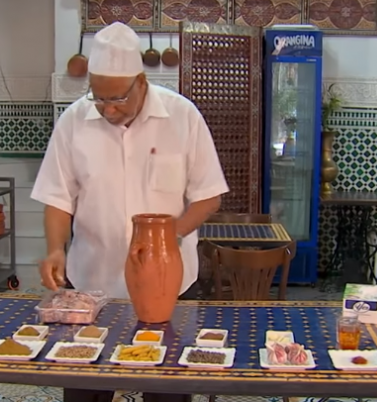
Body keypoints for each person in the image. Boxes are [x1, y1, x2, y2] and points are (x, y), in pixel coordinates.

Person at [31, 22, 229, 402]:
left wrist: (172, 236)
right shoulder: (73, 121)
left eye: (117, 99)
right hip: (92, 282)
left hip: (169, 283)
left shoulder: (182, 117)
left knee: (166, 392)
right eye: (98, 98)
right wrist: (56, 249)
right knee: (85, 391)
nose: (107, 109)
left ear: (141, 82)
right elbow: (57, 196)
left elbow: (208, 196)